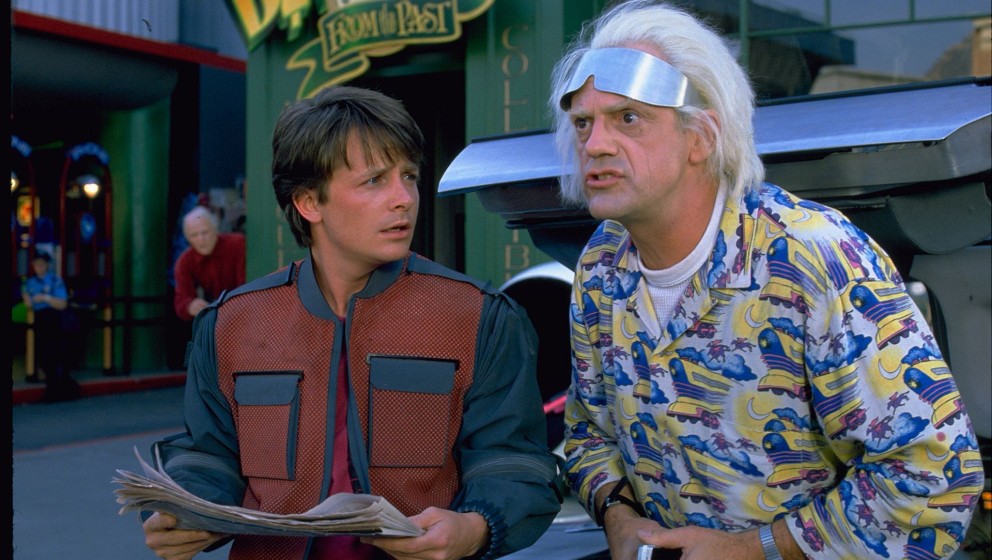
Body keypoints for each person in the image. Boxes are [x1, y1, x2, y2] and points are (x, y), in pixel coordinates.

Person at [550, 2, 982, 559]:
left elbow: (934, 475)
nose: (595, 145)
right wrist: (617, 514)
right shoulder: (600, 265)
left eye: (628, 118)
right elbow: (589, 433)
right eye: (583, 123)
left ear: (701, 137)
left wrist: (754, 549)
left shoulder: (812, 256)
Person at [141, 85, 561, 560]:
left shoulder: (479, 317)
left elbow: (513, 460)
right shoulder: (230, 325)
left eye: (409, 176)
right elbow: (208, 453)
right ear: (309, 203)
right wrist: (185, 509)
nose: (404, 198)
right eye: (375, 180)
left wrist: (475, 525)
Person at [21, 250, 79, 400]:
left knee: (56, 354)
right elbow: (28, 302)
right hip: (39, 320)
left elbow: (62, 303)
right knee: (43, 354)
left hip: (55, 320)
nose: (39, 267)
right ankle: (54, 386)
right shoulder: (30, 282)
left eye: (41, 264)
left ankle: (57, 389)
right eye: (36, 264)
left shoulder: (54, 280)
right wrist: (30, 298)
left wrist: (45, 298)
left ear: (47, 265)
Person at [172, 205, 246, 321]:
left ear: (215, 229)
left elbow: (246, 286)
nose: (201, 239)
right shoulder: (185, 261)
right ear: (188, 238)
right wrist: (190, 305)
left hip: (244, 310)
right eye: (194, 235)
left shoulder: (238, 244)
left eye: (205, 232)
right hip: (215, 317)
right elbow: (181, 301)